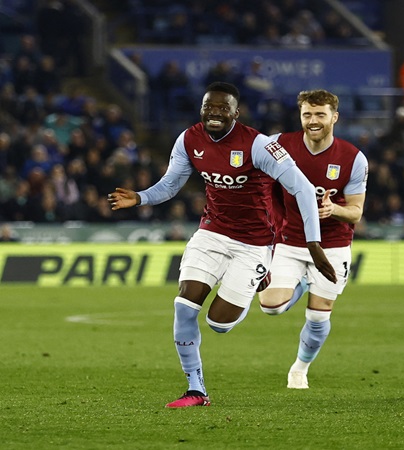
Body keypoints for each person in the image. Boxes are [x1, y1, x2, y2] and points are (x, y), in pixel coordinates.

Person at [107, 82, 337, 408]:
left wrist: (313, 244)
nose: (214, 113)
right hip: (211, 233)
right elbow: (171, 184)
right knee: (184, 306)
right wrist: (142, 197)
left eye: (222, 108)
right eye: (209, 107)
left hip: (253, 243)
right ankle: (196, 390)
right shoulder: (189, 139)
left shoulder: (257, 145)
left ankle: (268, 279)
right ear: (201, 109)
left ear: (235, 113)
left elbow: (301, 187)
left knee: (219, 324)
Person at [257, 89, 367, 389]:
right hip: (290, 241)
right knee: (270, 306)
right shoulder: (280, 145)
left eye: (320, 114)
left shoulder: (353, 158)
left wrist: (334, 209)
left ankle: (299, 369)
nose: (313, 120)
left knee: (317, 319)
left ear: (334, 117)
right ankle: (303, 281)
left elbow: (356, 213)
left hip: (333, 246)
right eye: (307, 114)